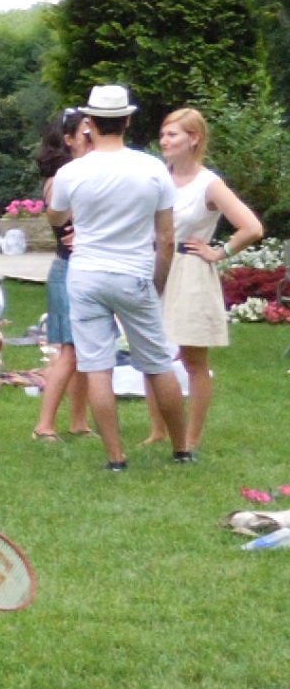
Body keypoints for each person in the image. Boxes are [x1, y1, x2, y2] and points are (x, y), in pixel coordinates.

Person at [46, 85, 187, 468]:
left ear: (89, 124)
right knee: (157, 361)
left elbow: (56, 217)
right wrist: (158, 281)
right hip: (134, 273)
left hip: (86, 274)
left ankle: (115, 457)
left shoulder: (71, 172)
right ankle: (181, 449)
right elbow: (167, 238)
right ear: (127, 120)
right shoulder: (153, 168)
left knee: (96, 366)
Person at [140, 105, 264, 454]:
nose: (164, 140)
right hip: (155, 264)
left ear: (193, 139)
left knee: (193, 359)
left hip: (190, 270)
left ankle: (191, 437)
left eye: (172, 134)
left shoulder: (208, 182)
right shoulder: (157, 177)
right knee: (152, 351)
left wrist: (219, 252)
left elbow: (252, 227)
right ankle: (157, 431)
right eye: (163, 133)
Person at [32, 110, 92, 443]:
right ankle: (44, 425)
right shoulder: (61, 180)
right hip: (68, 269)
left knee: (84, 350)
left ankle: (79, 421)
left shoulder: (87, 174)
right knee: (69, 351)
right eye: (85, 133)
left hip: (84, 267)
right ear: (67, 140)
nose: (91, 138)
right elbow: (66, 229)